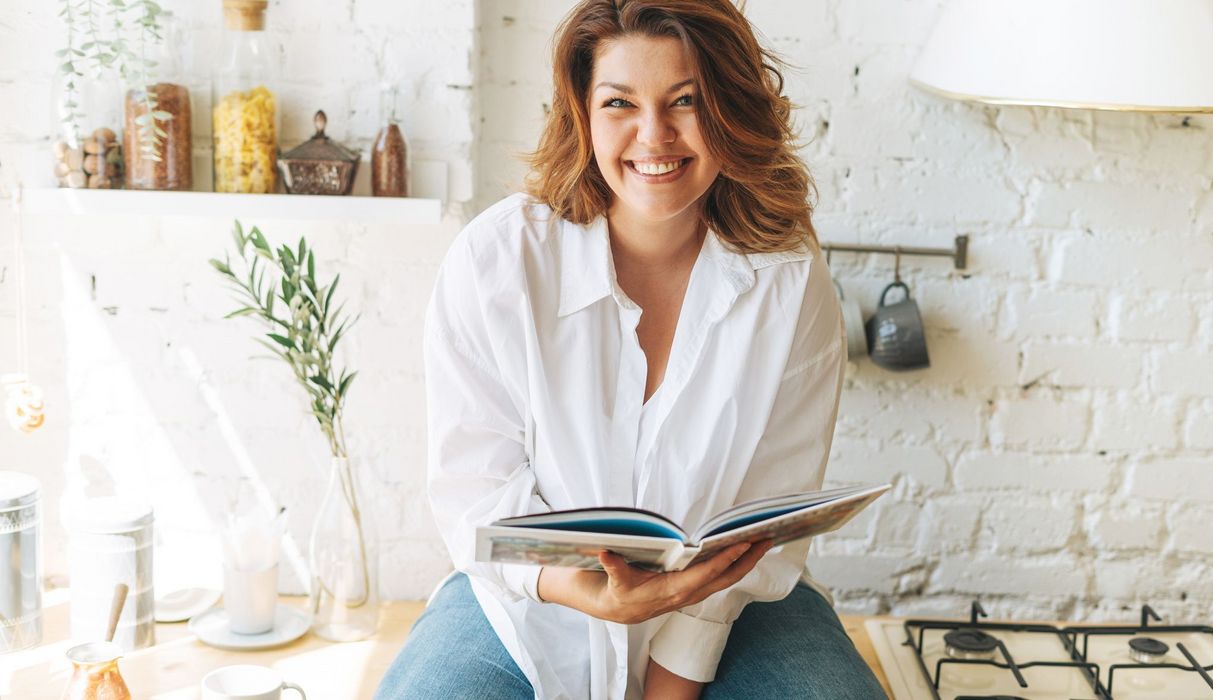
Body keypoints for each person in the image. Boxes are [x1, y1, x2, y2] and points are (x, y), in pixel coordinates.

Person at [376, 1, 888, 698]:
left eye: (686, 101)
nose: (655, 136)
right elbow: (474, 488)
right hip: (529, 601)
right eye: (620, 103)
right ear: (582, 113)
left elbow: (772, 507)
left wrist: (669, 686)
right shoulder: (497, 260)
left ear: (730, 109)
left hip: (731, 597)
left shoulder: (787, 276)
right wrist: (583, 592)